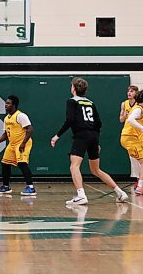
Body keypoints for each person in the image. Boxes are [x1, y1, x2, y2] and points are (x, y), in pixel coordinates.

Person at [51, 77, 128, 205]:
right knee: (96, 170)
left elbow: (69, 120)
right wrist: (96, 141)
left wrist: (57, 135)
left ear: (74, 89)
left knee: (74, 166)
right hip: (93, 135)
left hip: (81, 135)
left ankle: (81, 195)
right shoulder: (90, 103)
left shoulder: (72, 101)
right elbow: (98, 123)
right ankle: (120, 192)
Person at [0, 95, 37, 196]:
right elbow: (6, 134)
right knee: (5, 163)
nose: (6, 105)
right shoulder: (6, 118)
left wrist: (23, 143)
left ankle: (31, 187)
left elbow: (30, 129)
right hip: (12, 144)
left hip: (22, 143)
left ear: (14, 105)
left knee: (22, 163)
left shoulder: (20, 116)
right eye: (5, 103)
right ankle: (6, 186)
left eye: (8, 103)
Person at [119, 85, 143, 190]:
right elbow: (123, 120)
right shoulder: (126, 104)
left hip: (138, 134)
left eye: (131, 91)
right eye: (128, 91)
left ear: (136, 94)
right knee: (138, 159)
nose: (129, 93)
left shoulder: (140, 106)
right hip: (131, 134)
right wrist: (125, 115)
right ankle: (141, 183)